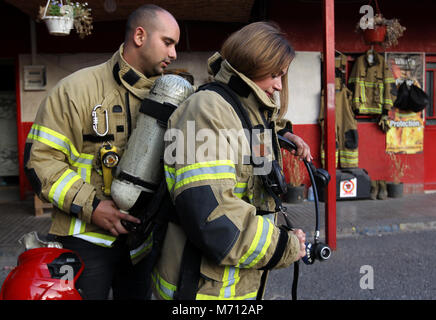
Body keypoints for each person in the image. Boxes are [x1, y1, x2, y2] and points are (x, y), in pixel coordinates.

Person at [24, 4, 180, 300]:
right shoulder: (76, 90)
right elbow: (40, 162)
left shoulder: (170, 98)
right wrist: (93, 206)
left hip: (141, 243)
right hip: (83, 240)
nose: (174, 54)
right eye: (168, 42)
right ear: (139, 36)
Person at [152, 21, 311, 300]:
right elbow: (212, 217)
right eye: (274, 75)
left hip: (237, 284)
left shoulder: (248, 112)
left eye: (282, 76)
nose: (277, 86)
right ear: (251, 65)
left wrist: (286, 134)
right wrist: (284, 245)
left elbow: (257, 185)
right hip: (201, 291)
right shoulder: (205, 110)